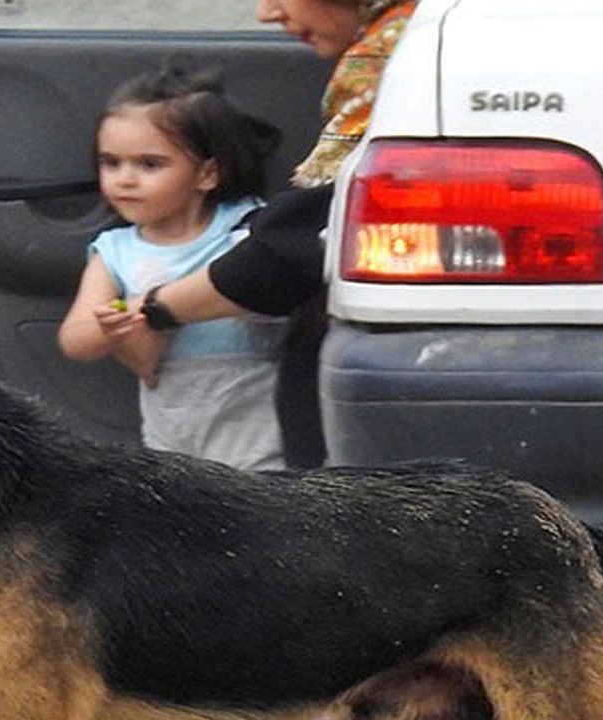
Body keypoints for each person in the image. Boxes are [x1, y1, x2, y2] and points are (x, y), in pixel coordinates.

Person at [127, 0, 419, 468]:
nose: (267, 14)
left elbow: (313, 229)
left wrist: (159, 307)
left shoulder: (405, 62)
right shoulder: (392, 48)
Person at [58, 65, 288, 471]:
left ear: (207, 173)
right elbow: (74, 340)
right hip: (170, 411)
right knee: (181, 506)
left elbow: (273, 287)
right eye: (111, 163)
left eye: (149, 165)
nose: (124, 180)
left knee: (259, 496)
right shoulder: (116, 250)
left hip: (250, 402)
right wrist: (107, 328)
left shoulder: (244, 228)